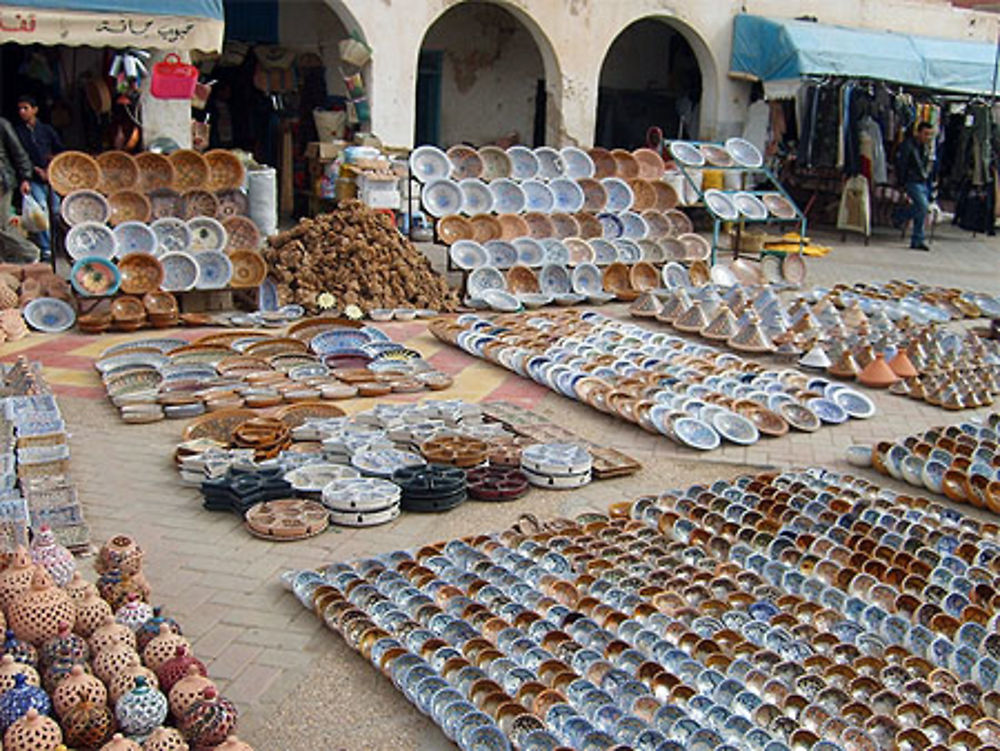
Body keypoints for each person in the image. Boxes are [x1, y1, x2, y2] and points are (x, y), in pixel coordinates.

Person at [14, 94, 63, 261]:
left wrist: (50, 168)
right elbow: (20, 157)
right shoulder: (18, 133)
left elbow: (60, 151)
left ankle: (57, 243)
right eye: (20, 109)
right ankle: (46, 248)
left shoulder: (47, 130)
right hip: (33, 178)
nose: (22, 112)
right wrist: (28, 177)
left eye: (25, 108)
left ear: (35, 110)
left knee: (56, 211)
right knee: (40, 210)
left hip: (52, 177)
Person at [0, 115, 39, 264]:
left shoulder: (2, 124)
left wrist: (25, 177)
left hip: (2, 181)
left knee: (2, 226)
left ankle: (30, 252)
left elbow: (19, 152)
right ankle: (5, 261)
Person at [892, 121, 934, 251]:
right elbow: (902, 164)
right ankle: (900, 216)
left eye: (930, 135)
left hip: (922, 181)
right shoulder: (908, 145)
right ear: (918, 132)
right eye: (925, 134)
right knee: (922, 207)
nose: (927, 137)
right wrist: (901, 182)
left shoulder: (926, 148)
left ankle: (917, 239)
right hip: (911, 180)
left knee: (922, 210)